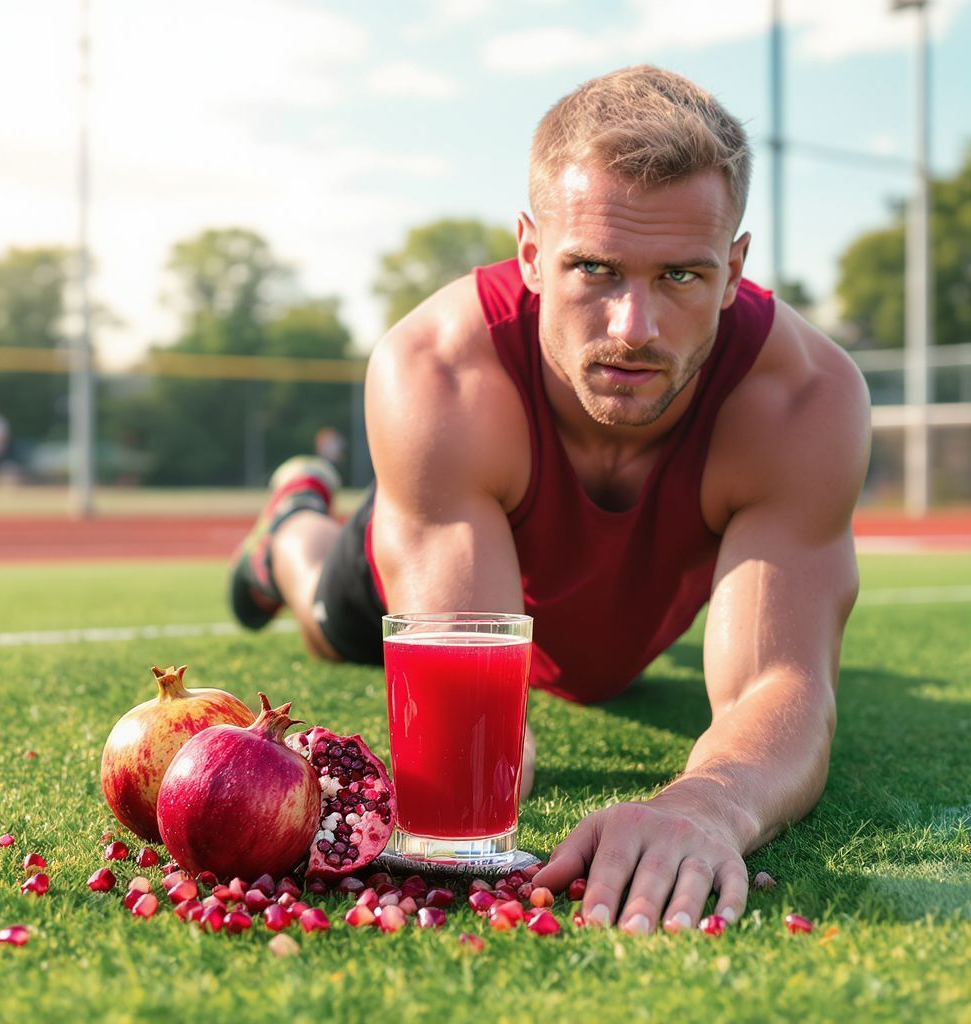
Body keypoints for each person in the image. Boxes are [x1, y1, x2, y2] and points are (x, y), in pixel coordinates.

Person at [230, 66, 870, 936]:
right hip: (442, 533)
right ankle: (290, 529)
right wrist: (483, 767)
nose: (632, 328)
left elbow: (780, 682)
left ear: (735, 269)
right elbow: (480, 727)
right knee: (328, 616)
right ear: (530, 253)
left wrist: (709, 803)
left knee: (618, 678)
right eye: (594, 269)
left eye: (681, 275)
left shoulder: (804, 398)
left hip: (622, 626)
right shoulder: (441, 372)